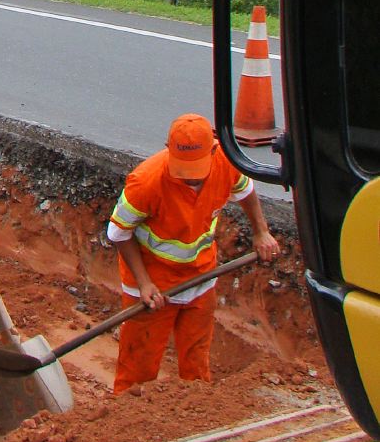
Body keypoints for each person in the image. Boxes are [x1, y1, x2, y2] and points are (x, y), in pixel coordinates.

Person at [106, 113, 278, 394]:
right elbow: (118, 233)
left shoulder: (226, 161)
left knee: (196, 364)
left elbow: (245, 191)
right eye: (183, 173)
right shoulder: (146, 181)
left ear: (213, 151)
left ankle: (196, 414)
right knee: (138, 368)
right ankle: (128, 421)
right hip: (153, 283)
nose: (189, 181)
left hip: (201, 276)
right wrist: (145, 283)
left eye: (197, 173)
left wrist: (261, 231)